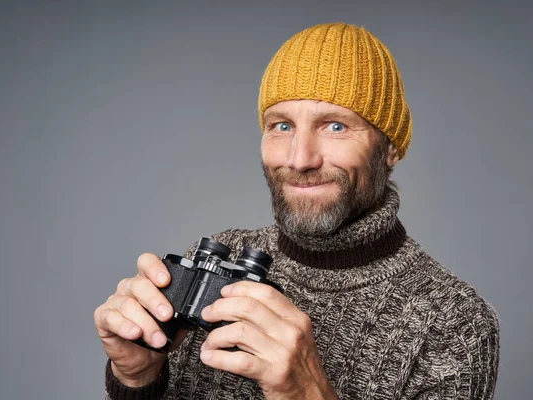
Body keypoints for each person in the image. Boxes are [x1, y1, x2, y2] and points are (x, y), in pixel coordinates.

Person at [94, 22, 500, 399]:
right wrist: (137, 379)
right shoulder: (225, 255)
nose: (300, 158)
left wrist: (306, 393)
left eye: (335, 126)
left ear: (391, 147)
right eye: (281, 125)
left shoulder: (453, 322)